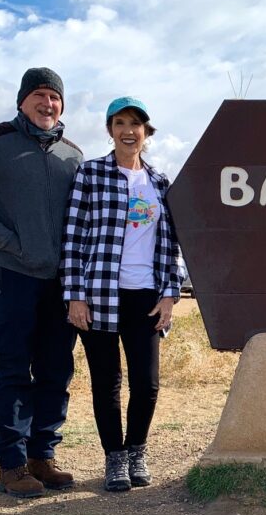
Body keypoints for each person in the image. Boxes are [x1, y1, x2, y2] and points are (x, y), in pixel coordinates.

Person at [0, 67, 83, 498]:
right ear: (22, 101)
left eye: (55, 97)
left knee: (55, 368)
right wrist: (13, 244)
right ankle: (11, 464)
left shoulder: (72, 155)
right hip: (11, 275)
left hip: (59, 281)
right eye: (40, 96)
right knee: (12, 368)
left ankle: (42, 457)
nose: (48, 104)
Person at [60, 97, 181, 492]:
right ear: (110, 130)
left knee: (146, 384)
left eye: (136, 123)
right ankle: (114, 459)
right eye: (120, 122)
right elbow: (74, 237)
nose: (128, 130)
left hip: (145, 296)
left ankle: (136, 451)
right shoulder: (91, 174)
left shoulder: (160, 183)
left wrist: (169, 295)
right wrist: (75, 295)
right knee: (106, 382)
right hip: (99, 295)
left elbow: (172, 243)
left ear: (147, 132)